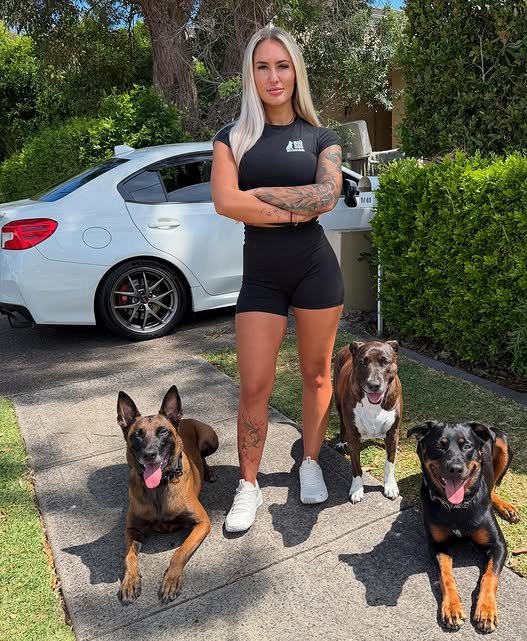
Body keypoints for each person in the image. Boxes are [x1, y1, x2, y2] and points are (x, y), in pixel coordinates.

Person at [211, 25, 344, 533]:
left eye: (282, 65)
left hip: (316, 271)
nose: (273, 77)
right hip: (261, 278)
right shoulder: (232, 139)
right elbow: (225, 202)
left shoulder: (321, 137)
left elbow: (326, 196)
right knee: (254, 385)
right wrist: (294, 207)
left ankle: (309, 462)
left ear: (296, 72)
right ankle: (248, 484)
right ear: (251, 74)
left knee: (317, 375)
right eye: (262, 66)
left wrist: (259, 198)